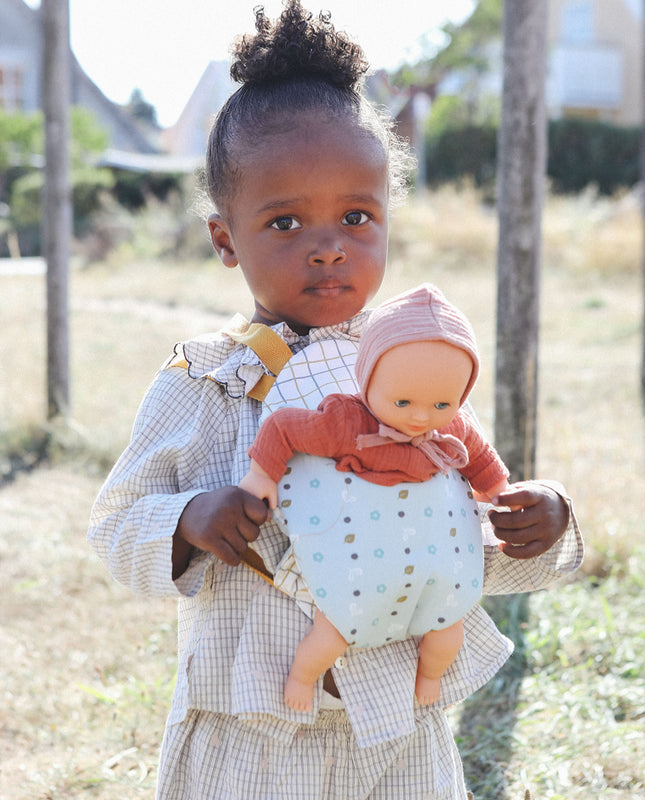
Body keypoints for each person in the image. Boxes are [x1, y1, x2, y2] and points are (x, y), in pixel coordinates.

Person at [87, 2, 583, 798]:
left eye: (357, 217)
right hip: (247, 737)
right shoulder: (202, 382)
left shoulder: (414, 369)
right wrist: (186, 520)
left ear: (387, 220)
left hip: (397, 732)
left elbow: (460, 536)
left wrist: (538, 522)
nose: (327, 247)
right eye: (285, 221)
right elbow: (115, 527)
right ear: (226, 240)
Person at [239, 283, 512, 711]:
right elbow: (283, 427)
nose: (420, 417)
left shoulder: (450, 428)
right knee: (330, 633)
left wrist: (499, 490)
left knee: (448, 632)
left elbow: (479, 454)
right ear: (367, 380)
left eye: (442, 404)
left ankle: (429, 677)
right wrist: (262, 474)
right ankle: (300, 679)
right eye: (402, 401)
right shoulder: (346, 422)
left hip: (428, 567)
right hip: (357, 566)